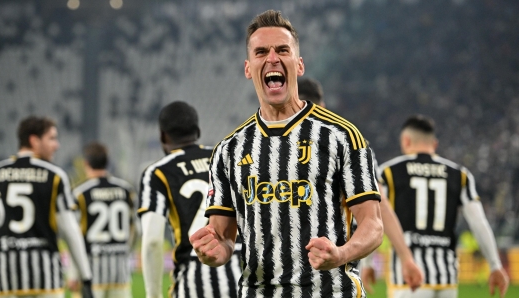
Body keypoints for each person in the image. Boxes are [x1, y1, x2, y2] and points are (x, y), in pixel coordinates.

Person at [190, 10, 384, 298]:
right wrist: (214, 251)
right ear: (248, 68)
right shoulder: (229, 149)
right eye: (261, 52)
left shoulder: (342, 136)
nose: (272, 58)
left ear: (299, 64)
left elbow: (373, 225)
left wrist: (341, 254)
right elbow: (223, 238)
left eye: (282, 50)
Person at [297, 77, 424, 293]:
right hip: (337, 279)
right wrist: (406, 258)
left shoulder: (263, 149)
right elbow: (378, 208)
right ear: (324, 107)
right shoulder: (350, 144)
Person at [374, 114, 509, 298]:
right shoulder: (460, 175)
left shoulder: (388, 172)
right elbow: (479, 222)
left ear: (406, 141)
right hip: (446, 277)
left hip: (408, 276)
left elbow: (374, 217)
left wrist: (366, 265)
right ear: (434, 144)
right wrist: (495, 265)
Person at [138, 101, 242, 298]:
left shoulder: (158, 172)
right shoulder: (224, 158)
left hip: (194, 277)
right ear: (198, 131)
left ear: (162, 136)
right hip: (238, 273)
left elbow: (152, 241)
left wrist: (153, 295)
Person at [0, 116, 94, 298]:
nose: (57, 145)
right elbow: (70, 230)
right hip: (45, 277)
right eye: (52, 138)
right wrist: (85, 277)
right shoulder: (55, 175)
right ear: (34, 140)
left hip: (5, 275)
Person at [67, 142, 138, 298]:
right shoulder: (126, 190)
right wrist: (125, 252)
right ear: (107, 162)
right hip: (120, 272)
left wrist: (73, 274)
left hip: (91, 273)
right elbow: (136, 230)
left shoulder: (80, 194)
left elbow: (74, 235)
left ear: (86, 163)